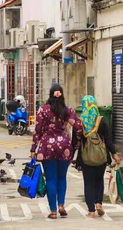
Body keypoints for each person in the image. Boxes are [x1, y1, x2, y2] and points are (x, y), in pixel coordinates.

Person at [30, 84, 82, 219]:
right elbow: (78, 127)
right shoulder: (68, 110)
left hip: (47, 147)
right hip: (64, 146)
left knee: (51, 179)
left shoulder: (43, 110)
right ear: (61, 95)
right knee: (62, 177)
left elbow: (38, 130)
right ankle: (61, 205)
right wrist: (75, 144)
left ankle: (53, 211)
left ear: (50, 94)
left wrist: (33, 149)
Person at [77, 95, 121, 218]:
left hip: (86, 158)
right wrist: (114, 154)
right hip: (101, 157)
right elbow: (108, 139)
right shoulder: (101, 120)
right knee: (99, 180)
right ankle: (98, 204)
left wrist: (71, 155)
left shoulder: (80, 122)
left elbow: (76, 141)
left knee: (89, 182)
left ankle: (91, 210)